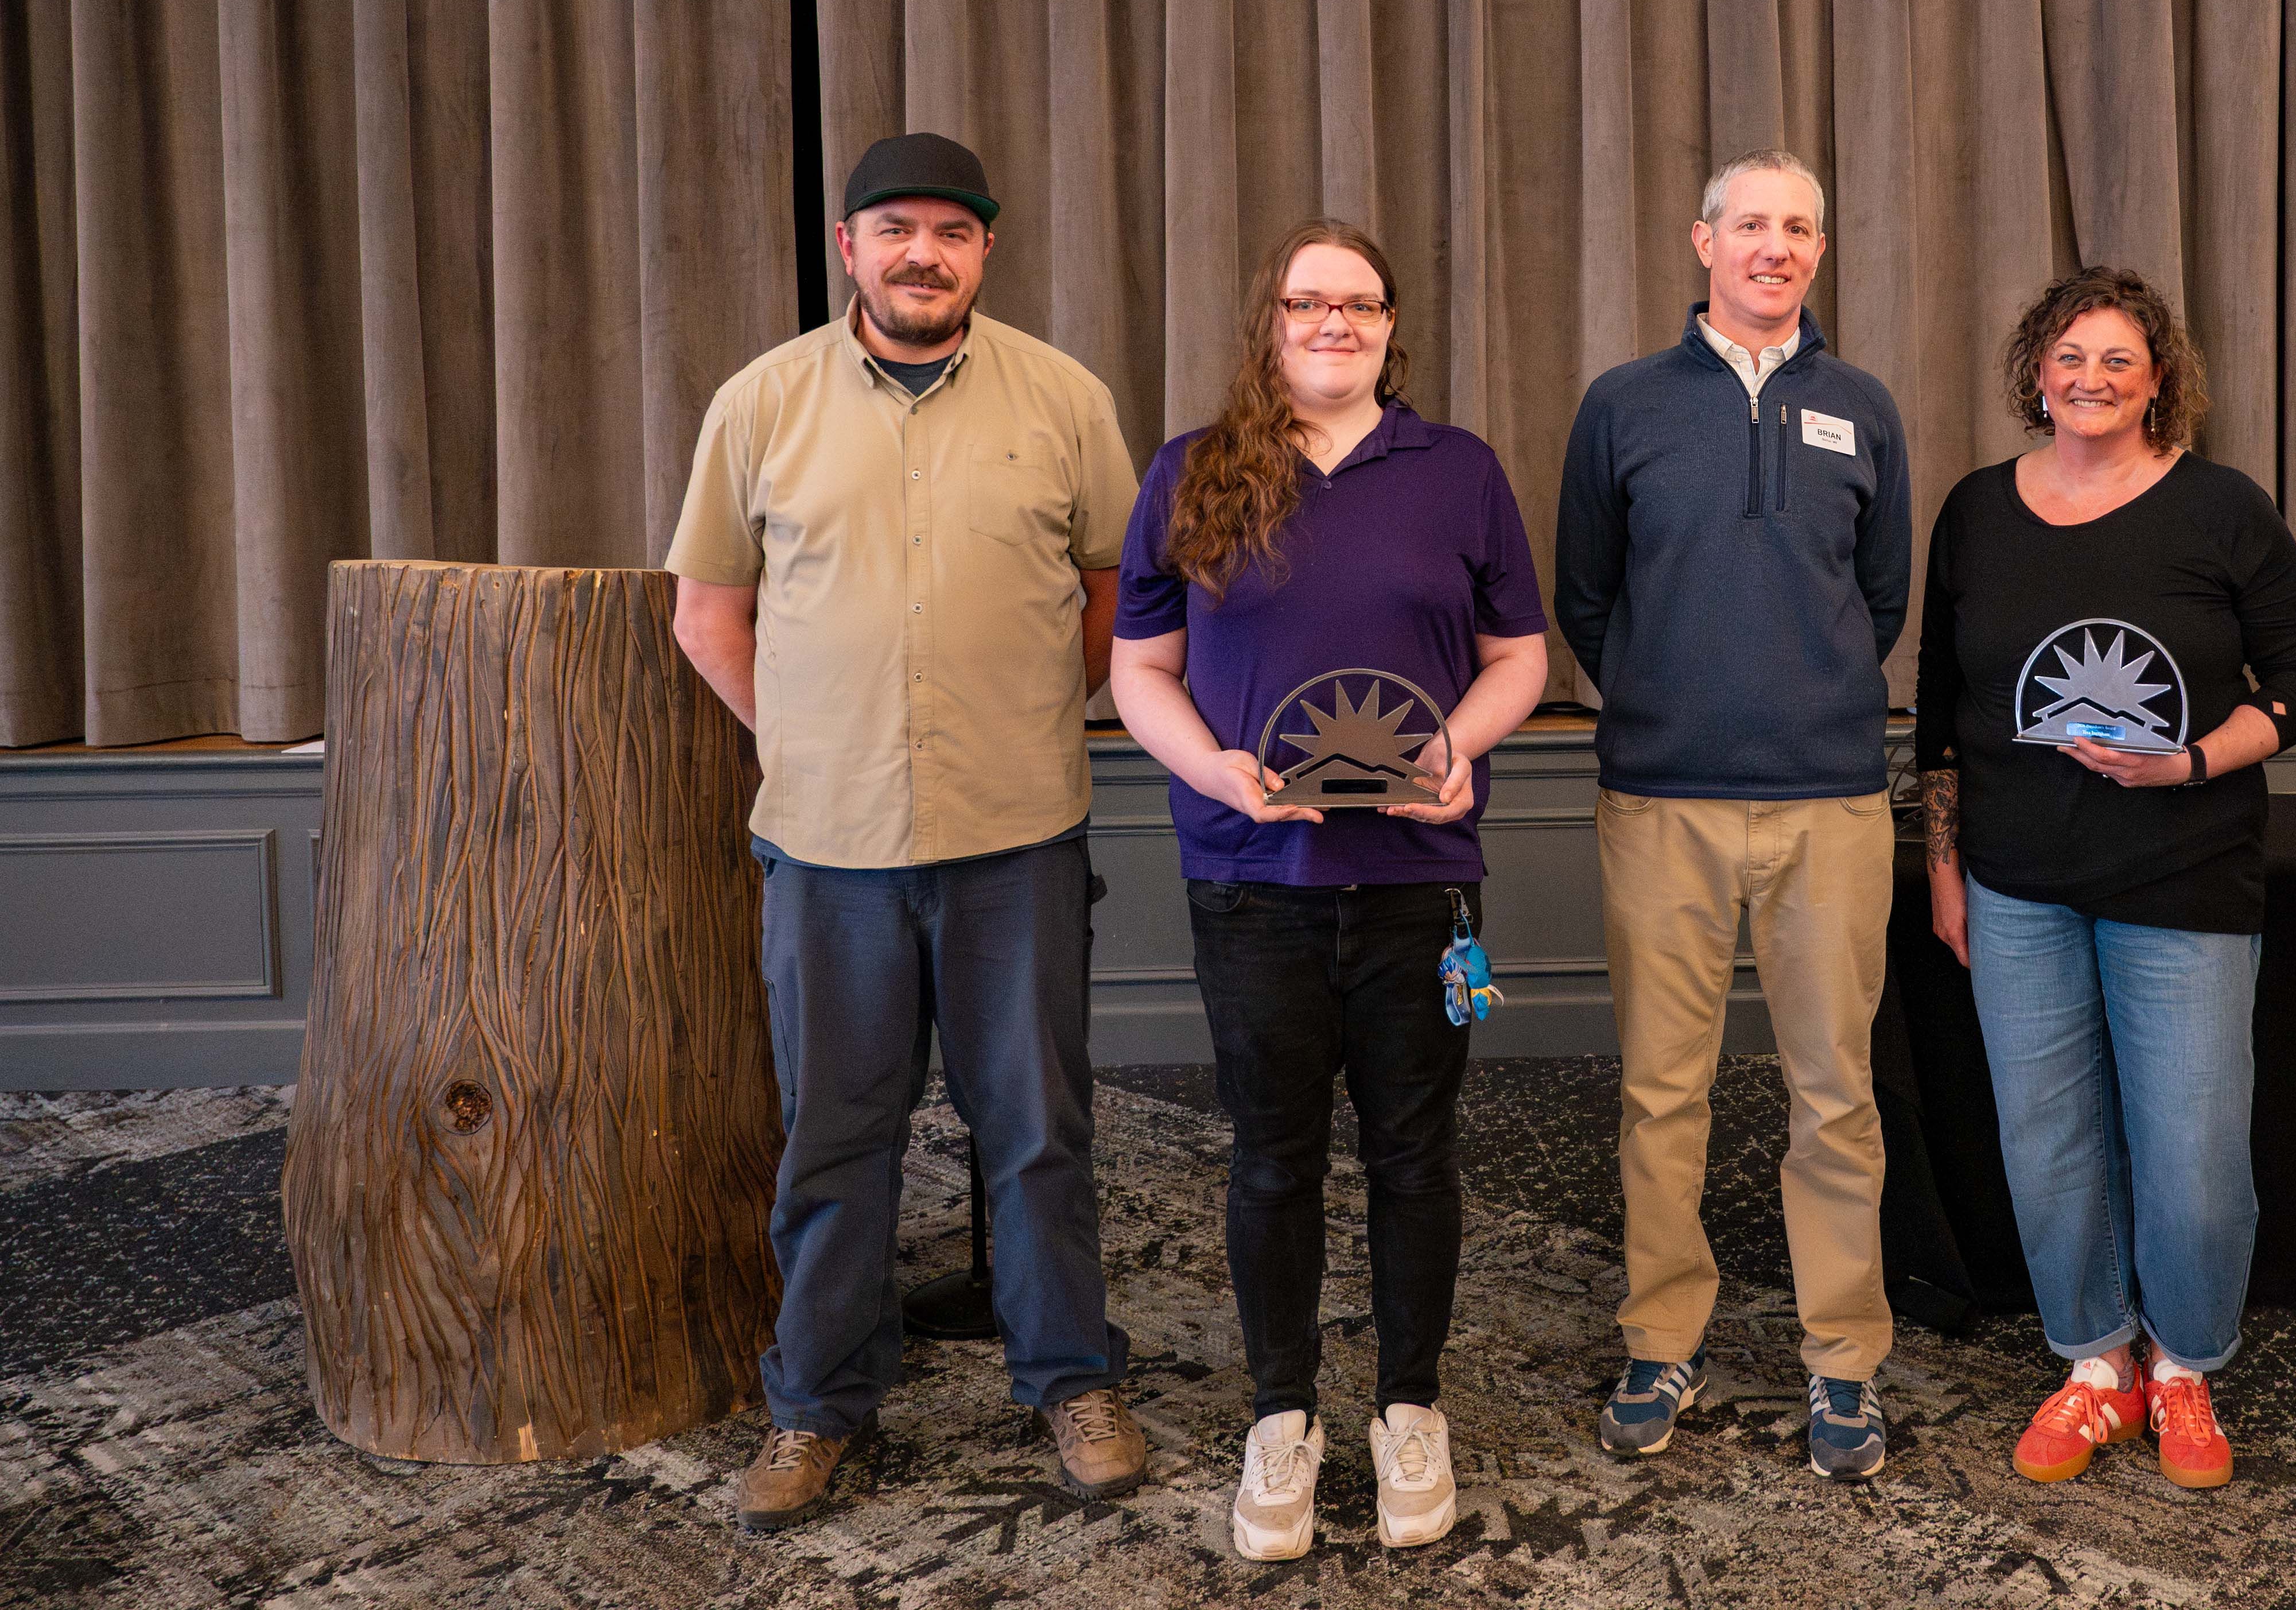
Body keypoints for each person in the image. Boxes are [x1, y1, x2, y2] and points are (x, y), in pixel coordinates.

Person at [666, 133, 1147, 1533]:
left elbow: (1118, 587)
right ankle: (816, 1404)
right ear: (849, 246)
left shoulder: (1063, 398)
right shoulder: (761, 404)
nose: (921, 253)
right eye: (895, 230)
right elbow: (708, 616)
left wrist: (1035, 709)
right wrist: (811, 735)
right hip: (831, 849)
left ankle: (1070, 1377)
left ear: (986, 251)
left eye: (950, 230)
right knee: (836, 1135)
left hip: (1019, 837)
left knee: (1038, 1128)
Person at [1105, 220, 1548, 1562]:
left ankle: (1410, 1407)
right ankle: (1281, 1415)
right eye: (1310, 304)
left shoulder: (1456, 472)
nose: (1335, 324)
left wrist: (1460, 744)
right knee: (1272, 1158)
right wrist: (1216, 773)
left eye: (1359, 305)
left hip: (1420, 882)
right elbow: (1139, 672)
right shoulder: (1194, 472)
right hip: (1254, 878)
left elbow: (1519, 656)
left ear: (1388, 326)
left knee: (1418, 1157)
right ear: (1272, 322)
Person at [1913, 267, 2296, 1494]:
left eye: (2117, 359)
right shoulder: (1978, 512)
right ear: (2034, 374)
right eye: (2069, 356)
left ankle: (2186, 1367)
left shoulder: (2221, 512)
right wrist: (1946, 867)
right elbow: (1943, 707)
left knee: (2194, 1149)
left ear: (2160, 380)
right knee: (2049, 1144)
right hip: (2015, 883)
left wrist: (2194, 759)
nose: (2091, 379)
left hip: (2186, 874)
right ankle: (2097, 1367)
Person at [1553, 148, 1912, 1483]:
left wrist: (1800, 699)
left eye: (1801, 226)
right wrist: (1665, 694)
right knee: (1663, 1093)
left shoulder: (1862, 407)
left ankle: (1845, 1363)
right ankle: (1663, 1337)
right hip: (1663, 799)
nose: (1777, 245)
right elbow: (1584, 593)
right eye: (1751, 223)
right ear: (1700, 241)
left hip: (1830, 802)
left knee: (1835, 1096)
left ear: (1820, 250)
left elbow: (1881, 600)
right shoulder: (1625, 405)